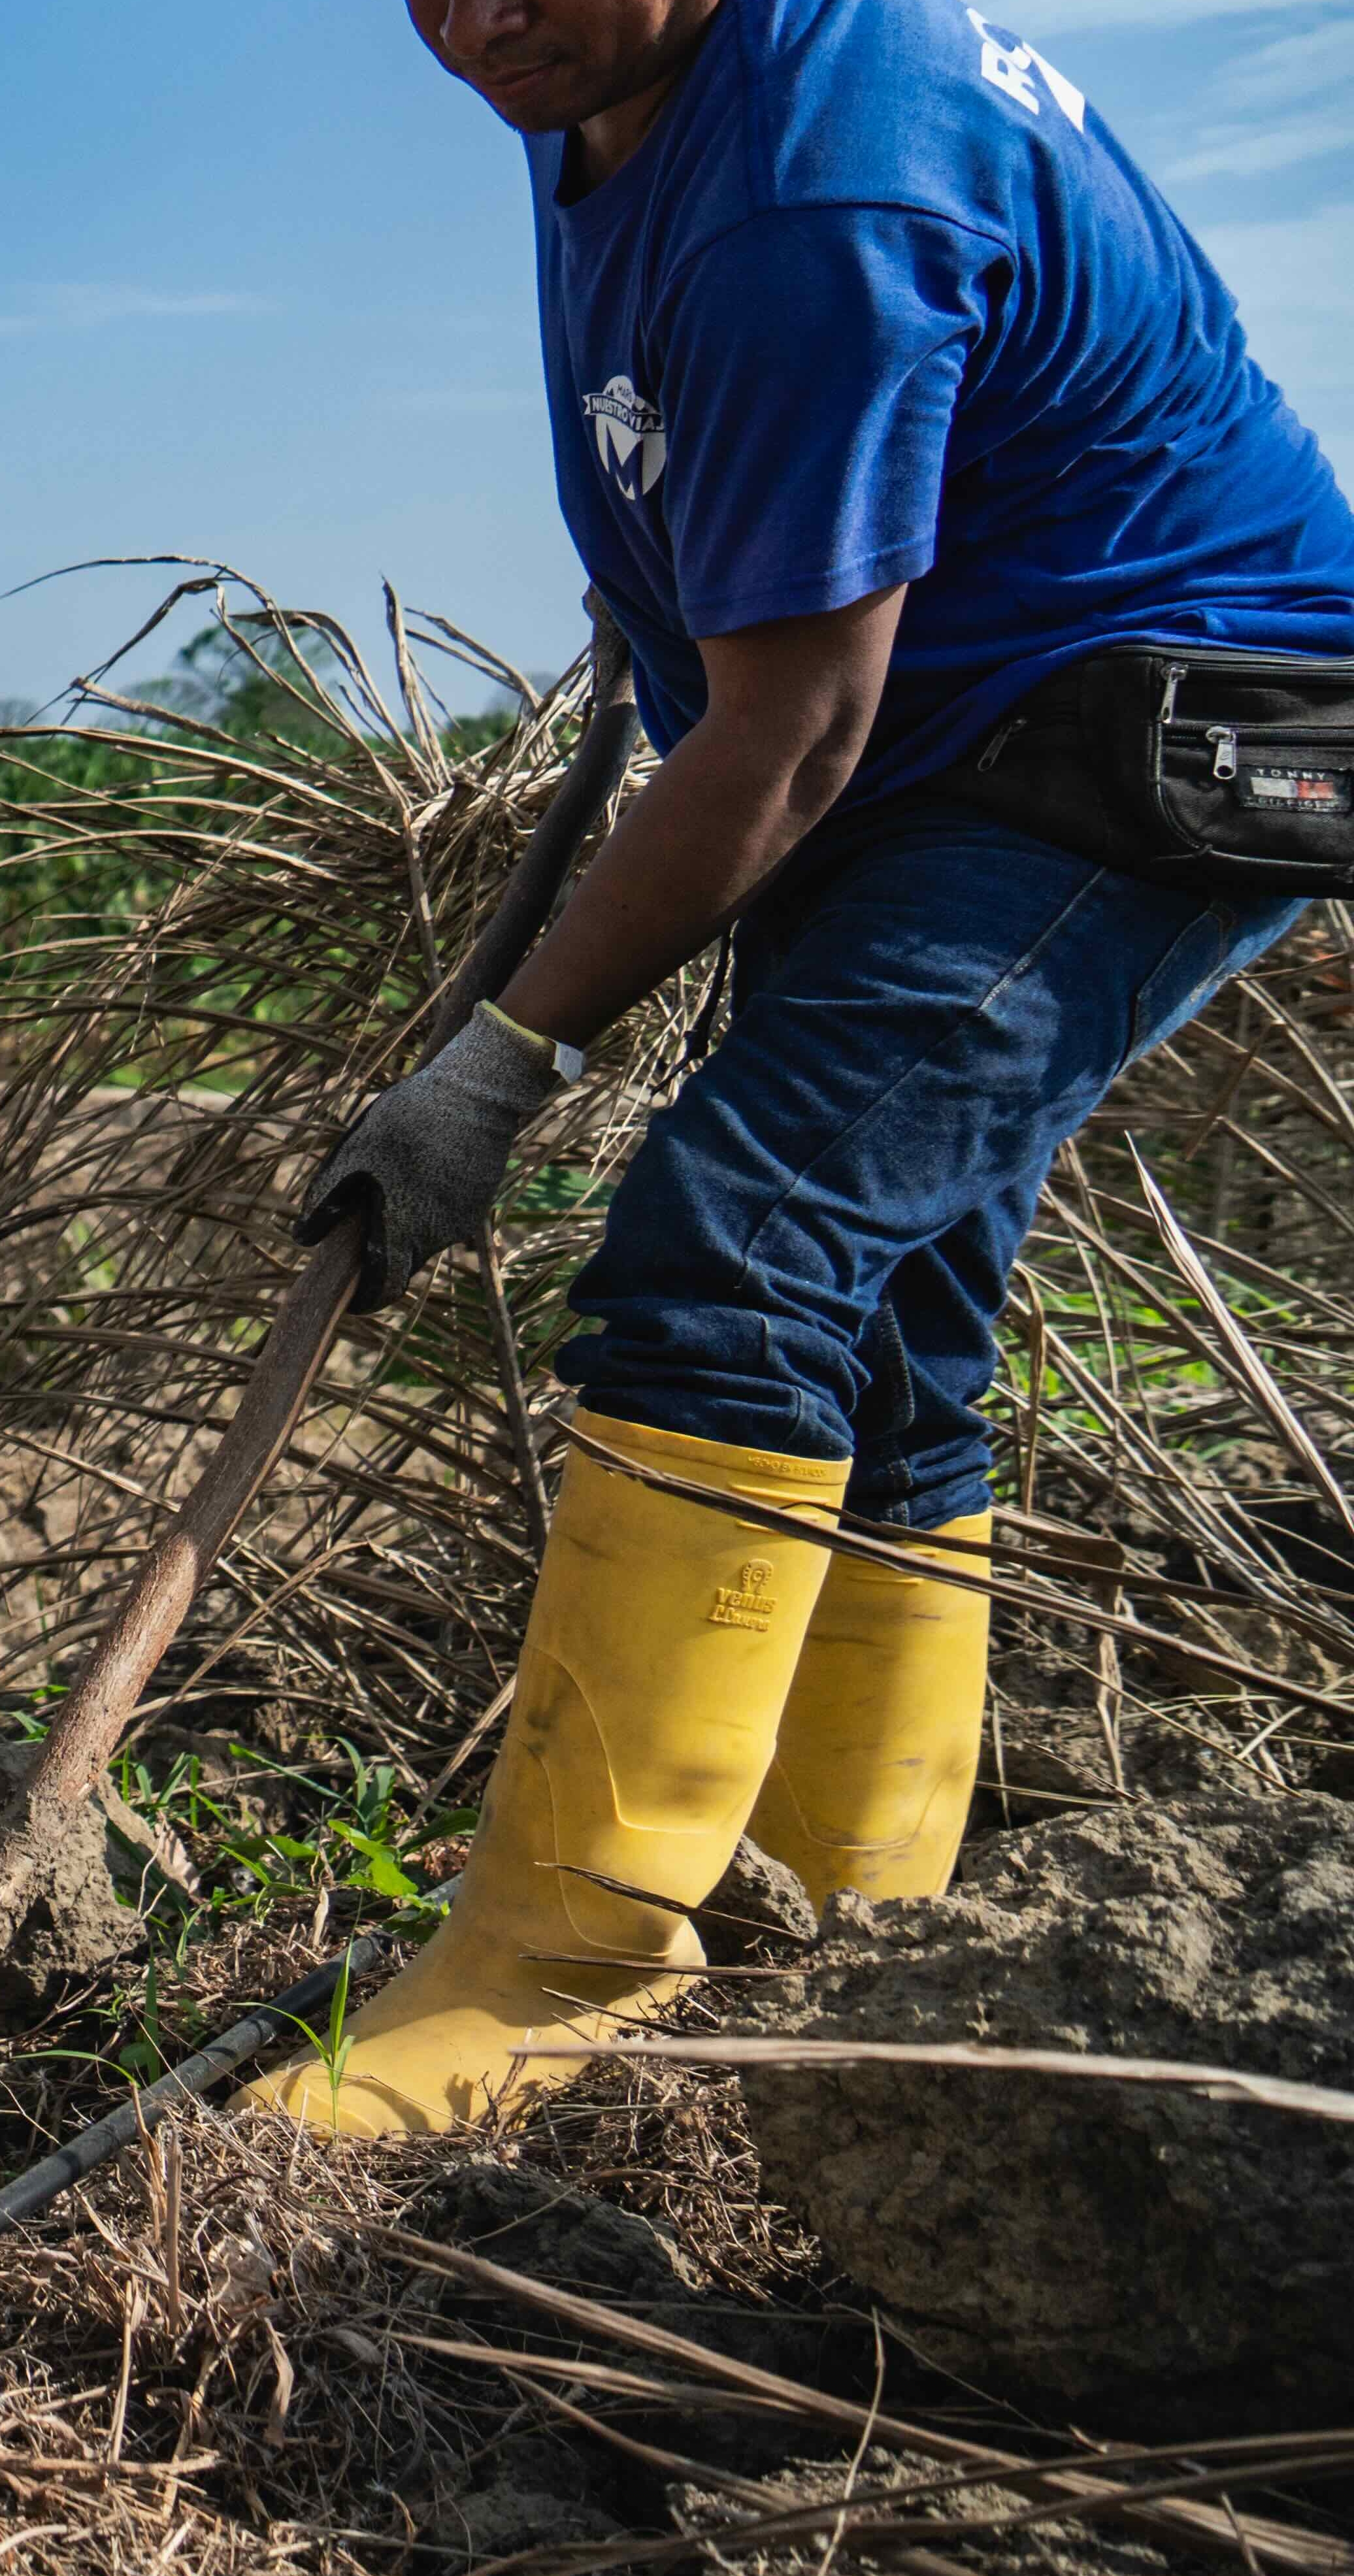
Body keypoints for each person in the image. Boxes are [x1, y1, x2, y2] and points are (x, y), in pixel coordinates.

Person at [255, 0, 1354, 2134]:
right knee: (872, 1303)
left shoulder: (812, 184)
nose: (474, 18)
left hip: (1140, 735)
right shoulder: (607, 76)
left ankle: (558, 1965)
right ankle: (864, 1931)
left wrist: (495, 1061)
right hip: (982, 729)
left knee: (733, 1239)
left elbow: (789, 735)